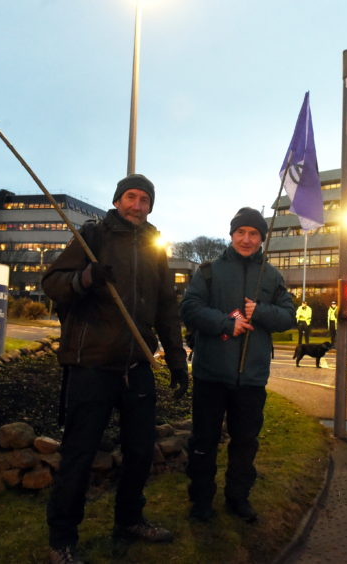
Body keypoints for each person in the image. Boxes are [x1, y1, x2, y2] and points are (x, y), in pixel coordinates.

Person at [42, 174, 189, 564]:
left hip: (136, 363)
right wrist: (86, 277)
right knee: (79, 453)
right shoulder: (94, 236)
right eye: (131, 197)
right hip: (91, 362)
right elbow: (52, 282)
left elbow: (166, 310)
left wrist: (177, 360)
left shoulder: (155, 249)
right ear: (118, 200)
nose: (137, 205)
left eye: (144, 200)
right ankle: (62, 539)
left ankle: (129, 519)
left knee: (140, 450)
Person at [180, 207, 295, 523]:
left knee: (245, 443)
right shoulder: (208, 272)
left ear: (261, 239)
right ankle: (201, 500)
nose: (247, 239)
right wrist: (225, 324)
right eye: (241, 232)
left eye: (254, 233)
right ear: (231, 235)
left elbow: (288, 316)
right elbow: (189, 308)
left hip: (252, 378)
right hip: (211, 374)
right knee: (203, 441)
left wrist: (259, 312)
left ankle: (238, 498)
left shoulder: (271, 276)